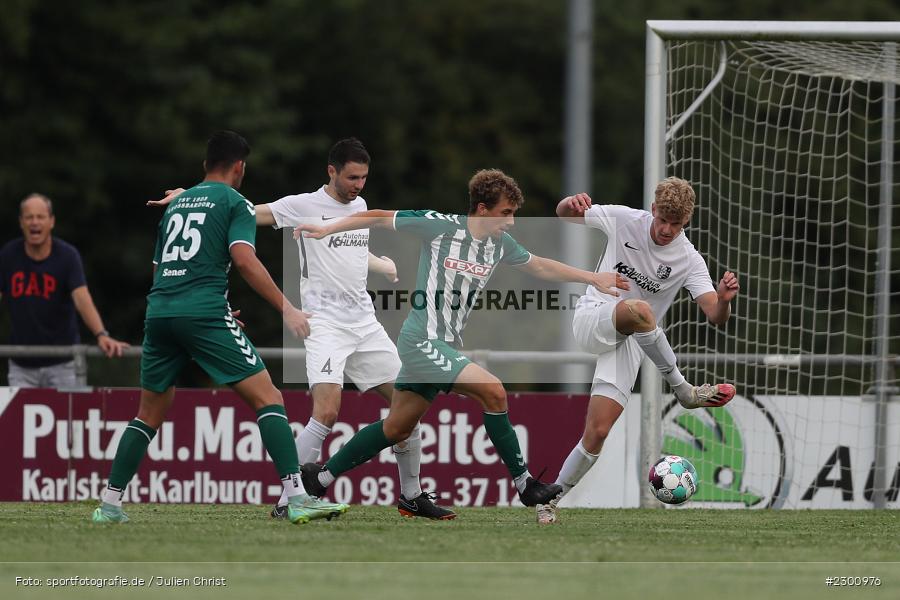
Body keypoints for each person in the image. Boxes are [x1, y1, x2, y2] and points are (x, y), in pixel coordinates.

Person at [152, 138, 453, 520]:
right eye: (351, 177)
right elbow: (246, 210)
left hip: (365, 324)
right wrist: (192, 195)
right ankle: (288, 499)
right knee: (327, 412)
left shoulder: (359, 206)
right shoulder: (301, 205)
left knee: (408, 409)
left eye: (363, 177)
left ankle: (411, 495)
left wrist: (382, 265)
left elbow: (351, 253)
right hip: (324, 324)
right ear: (331, 171)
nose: (358, 185)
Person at [292, 168, 629, 510]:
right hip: (422, 340)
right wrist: (327, 228)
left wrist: (592, 278)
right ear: (482, 210)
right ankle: (525, 484)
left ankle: (319, 479)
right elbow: (379, 217)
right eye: (505, 214)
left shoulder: (499, 244)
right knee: (494, 391)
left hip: (442, 345)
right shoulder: (440, 225)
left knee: (396, 427)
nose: (511, 223)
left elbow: (539, 266)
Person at [92, 130, 348, 525]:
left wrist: (211, 306)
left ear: (204, 165)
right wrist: (287, 308)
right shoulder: (235, 201)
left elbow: (161, 268)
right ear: (240, 166)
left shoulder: (176, 206)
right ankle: (297, 496)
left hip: (160, 312)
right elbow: (244, 260)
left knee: (148, 413)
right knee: (269, 398)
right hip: (203, 313)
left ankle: (109, 505)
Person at [537, 177, 740, 524]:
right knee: (642, 309)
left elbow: (714, 316)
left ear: (686, 222)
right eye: (663, 220)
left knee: (597, 432)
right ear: (653, 210)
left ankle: (549, 500)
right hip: (594, 317)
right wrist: (570, 203)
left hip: (630, 342)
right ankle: (684, 390)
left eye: (676, 225)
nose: (666, 230)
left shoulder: (689, 259)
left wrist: (723, 300)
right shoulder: (623, 218)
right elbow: (563, 215)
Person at [0, 194, 129, 388]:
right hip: (21, 364)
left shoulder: (67, 256)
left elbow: (82, 299)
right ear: (21, 222)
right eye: (29, 217)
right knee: (18, 418)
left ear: (51, 221)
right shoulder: (9, 255)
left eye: (40, 217)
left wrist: (101, 334)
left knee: (69, 417)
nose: (35, 222)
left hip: (62, 362)